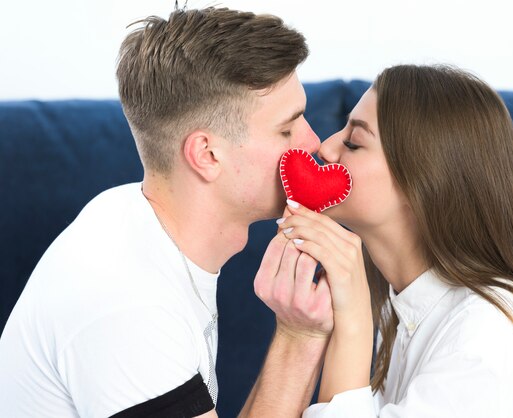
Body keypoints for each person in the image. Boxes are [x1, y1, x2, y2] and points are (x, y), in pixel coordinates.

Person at [0, 6, 334, 418]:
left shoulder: (124, 213)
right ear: (207, 155)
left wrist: (299, 331)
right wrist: (299, 336)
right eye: (287, 129)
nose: (314, 141)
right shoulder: (126, 307)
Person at [270, 65, 513, 417]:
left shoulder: (488, 335)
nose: (325, 147)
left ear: (425, 182)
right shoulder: (405, 313)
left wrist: (353, 320)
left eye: (354, 142)